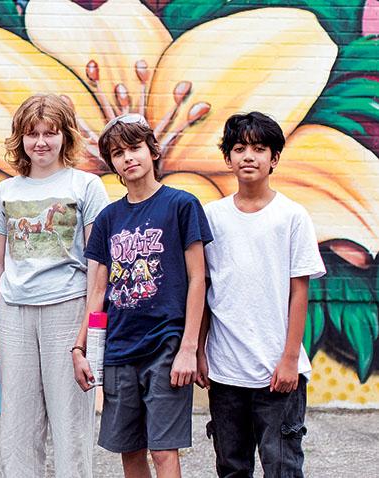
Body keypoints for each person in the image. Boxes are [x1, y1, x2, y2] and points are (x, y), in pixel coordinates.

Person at [72, 113, 212, 477]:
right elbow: (99, 292)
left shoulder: (181, 205)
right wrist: (80, 347)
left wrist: (189, 348)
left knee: (163, 451)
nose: (128, 158)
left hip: (165, 345)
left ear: (152, 151)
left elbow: (199, 279)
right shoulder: (107, 218)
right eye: (118, 153)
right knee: (129, 451)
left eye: (134, 148)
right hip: (119, 348)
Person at [0, 94, 109, 477]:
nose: (40, 142)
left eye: (49, 133)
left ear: (64, 136)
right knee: (19, 421)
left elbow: (97, 264)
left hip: (67, 308)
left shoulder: (86, 187)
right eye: (32, 134)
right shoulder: (5, 192)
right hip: (14, 313)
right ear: (20, 139)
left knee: (71, 418)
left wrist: (89, 330)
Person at [197, 112, 325, 477]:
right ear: (228, 158)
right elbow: (205, 289)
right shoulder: (212, 217)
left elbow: (299, 292)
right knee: (231, 467)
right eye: (239, 148)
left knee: (282, 465)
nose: (248, 156)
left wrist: (288, 359)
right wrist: (202, 351)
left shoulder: (292, 216)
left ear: (274, 158)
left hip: (277, 371)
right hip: (225, 371)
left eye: (258, 148)